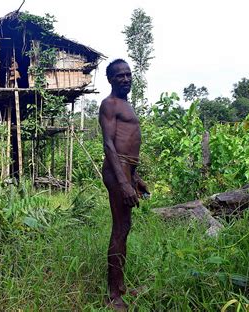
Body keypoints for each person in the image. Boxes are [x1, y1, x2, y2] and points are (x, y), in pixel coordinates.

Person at [99, 59, 148, 310]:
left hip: (126, 170)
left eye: (129, 74)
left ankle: (120, 287)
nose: (126, 79)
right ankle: (113, 296)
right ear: (110, 79)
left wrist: (135, 179)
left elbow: (128, 143)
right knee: (120, 228)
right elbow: (109, 145)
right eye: (120, 76)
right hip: (117, 170)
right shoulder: (109, 104)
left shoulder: (126, 104)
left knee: (125, 227)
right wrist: (123, 183)